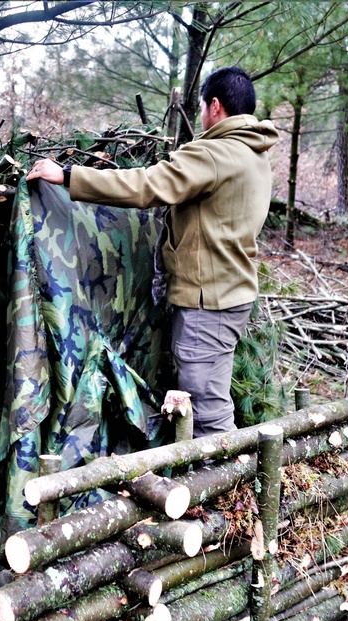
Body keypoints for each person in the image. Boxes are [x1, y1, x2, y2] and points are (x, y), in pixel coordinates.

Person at [26, 66, 279, 437]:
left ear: (215, 106)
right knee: (210, 394)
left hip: (209, 301)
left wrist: (67, 175)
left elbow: (146, 186)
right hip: (231, 292)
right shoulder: (255, 154)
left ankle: (221, 485)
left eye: (202, 108)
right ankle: (222, 481)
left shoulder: (215, 154)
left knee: (206, 408)